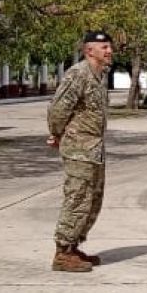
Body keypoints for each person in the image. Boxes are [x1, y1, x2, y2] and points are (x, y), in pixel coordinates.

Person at [47, 30, 113, 272]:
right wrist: (56, 133)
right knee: (78, 198)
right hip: (78, 148)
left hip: (93, 148)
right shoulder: (78, 74)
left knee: (93, 199)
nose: (109, 51)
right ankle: (62, 253)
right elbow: (58, 108)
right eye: (104, 47)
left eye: (109, 47)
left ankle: (73, 246)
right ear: (89, 50)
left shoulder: (99, 75)